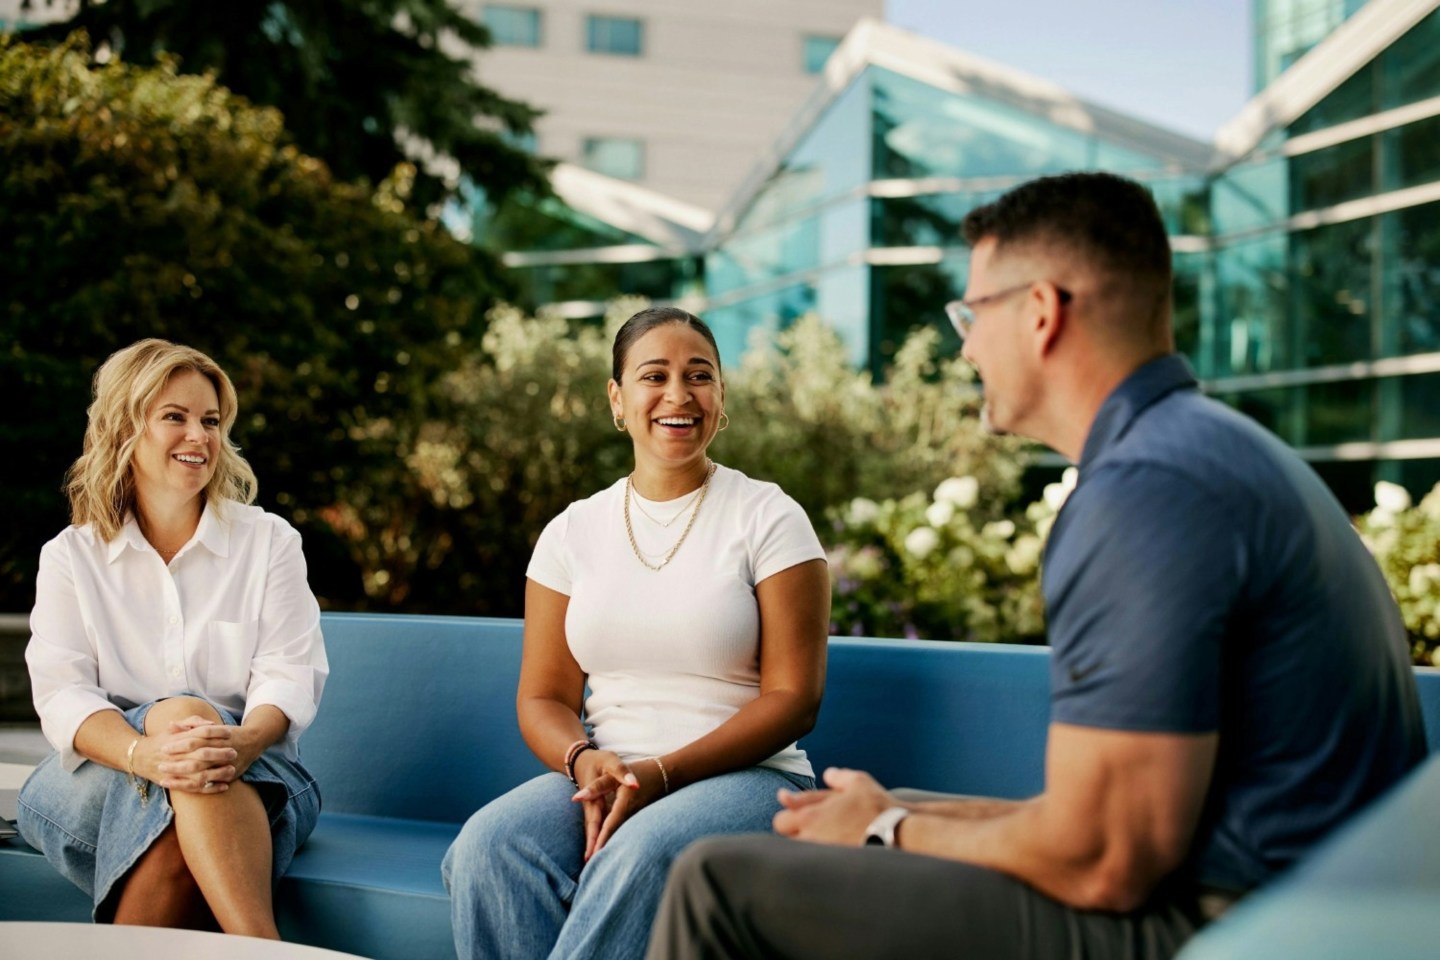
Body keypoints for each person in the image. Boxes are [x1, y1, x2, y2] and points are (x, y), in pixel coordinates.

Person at [646, 172, 1427, 960]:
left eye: (973, 313)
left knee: (718, 881)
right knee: (858, 820)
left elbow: (1107, 861)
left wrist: (888, 831)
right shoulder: (1206, 449)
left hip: (1241, 928)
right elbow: (1121, 818)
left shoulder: (1145, 493)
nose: (966, 344)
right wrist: (900, 816)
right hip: (1260, 887)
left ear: (1042, 313)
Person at [442, 306, 830, 960]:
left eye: (698, 376)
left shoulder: (769, 517)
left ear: (721, 397)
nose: (678, 395)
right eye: (655, 375)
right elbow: (544, 697)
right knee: (489, 846)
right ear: (618, 400)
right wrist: (582, 759)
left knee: (643, 855)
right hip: (612, 769)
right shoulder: (572, 531)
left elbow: (796, 699)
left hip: (752, 781)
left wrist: (663, 775)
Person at [18, 339, 328, 938]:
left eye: (210, 421)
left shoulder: (269, 542)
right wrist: (144, 753)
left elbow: (288, 675)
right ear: (124, 429)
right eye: (175, 418)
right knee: (183, 722)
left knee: (175, 820)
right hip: (98, 777)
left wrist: (238, 743)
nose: (200, 437)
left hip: (253, 771)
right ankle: (261, 947)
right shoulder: (70, 557)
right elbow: (63, 696)